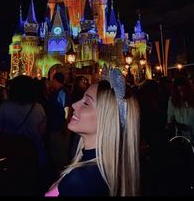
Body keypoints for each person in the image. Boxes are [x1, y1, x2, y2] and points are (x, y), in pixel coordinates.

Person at [45, 69, 140, 197]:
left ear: (107, 118)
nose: (74, 105)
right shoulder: (105, 169)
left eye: (86, 103)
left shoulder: (82, 179)